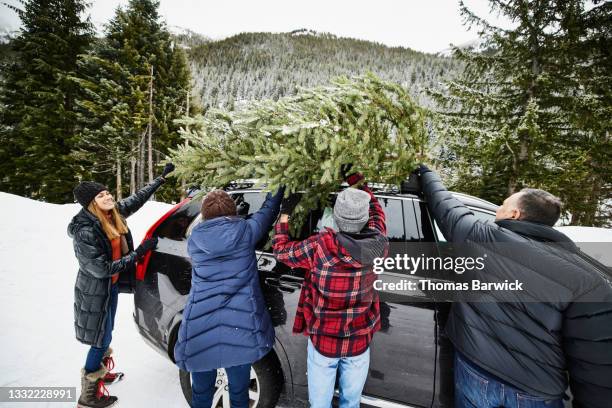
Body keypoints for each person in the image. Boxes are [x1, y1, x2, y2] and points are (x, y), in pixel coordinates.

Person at [415, 164, 612, 408]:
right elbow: (594, 358)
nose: (498, 208)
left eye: (503, 204)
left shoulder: (482, 236)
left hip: (477, 371)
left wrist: (427, 173)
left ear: (515, 215)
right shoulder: (587, 277)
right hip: (537, 390)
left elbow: (445, 205)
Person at [272, 168, 388, 408]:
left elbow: (282, 250)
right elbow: (376, 208)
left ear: (335, 217)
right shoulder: (378, 244)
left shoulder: (319, 246)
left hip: (323, 342)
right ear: (365, 219)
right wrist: (355, 177)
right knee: (351, 403)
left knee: (320, 404)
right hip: (358, 342)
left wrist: (284, 216)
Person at [68, 163, 175, 408]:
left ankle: (101, 371)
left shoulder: (110, 214)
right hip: (96, 292)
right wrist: (137, 254)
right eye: (101, 195)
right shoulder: (85, 231)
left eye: (107, 192)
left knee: (107, 331)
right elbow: (101, 269)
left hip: (110, 288)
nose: (108, 196)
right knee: (100, 338)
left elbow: (136, 200)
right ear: (90, 203)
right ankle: (88, 396)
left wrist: (160, 179)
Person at [173, 187, 284, 408]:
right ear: (234, 213)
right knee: (239, 393)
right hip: (239, 327)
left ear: (204, 215)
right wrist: (279, 184)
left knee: (202, 394)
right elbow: (269, 210)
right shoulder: (245, 231)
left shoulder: (195, 240)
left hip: (200, 328)